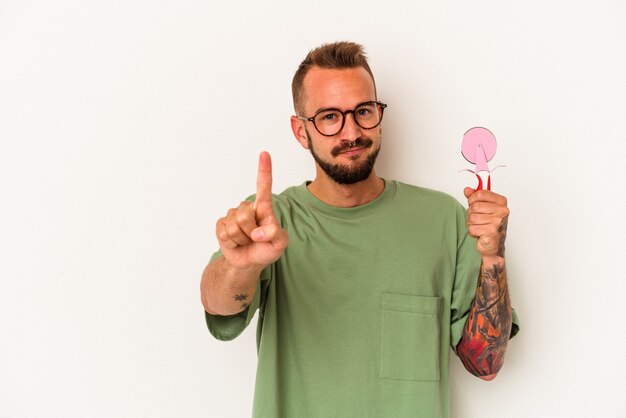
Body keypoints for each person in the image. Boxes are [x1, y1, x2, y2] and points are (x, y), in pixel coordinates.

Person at [200, 41, 519, 418]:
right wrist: (241, 265)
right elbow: (218, 306)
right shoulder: (269, 222)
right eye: (330, 117)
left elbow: (485, 364)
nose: (351, 132)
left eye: (363, 111)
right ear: (301, 131)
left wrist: (493, 259)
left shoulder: (444, 220)